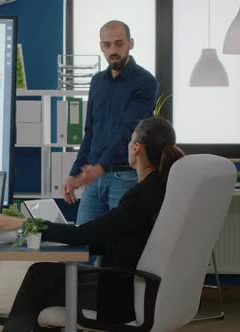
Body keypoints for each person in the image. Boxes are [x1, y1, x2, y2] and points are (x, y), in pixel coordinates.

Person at [0, 117, 184, 331]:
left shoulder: (140, 197)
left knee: (40, 275)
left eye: (130, 139)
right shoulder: (163, 190)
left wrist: (23, 223)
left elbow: (86, 234)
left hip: (118, 294)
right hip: (138, 286)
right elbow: (109, 238)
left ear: (136, 148)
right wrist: (63, 237)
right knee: (45, 280)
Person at [62, 20, 159, 228]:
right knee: (83, 248)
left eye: (118, 43)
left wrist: (98, 168)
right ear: (101, 46)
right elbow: (90, 132)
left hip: (125, 177)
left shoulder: (146, 82)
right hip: (94, 181)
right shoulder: (97, 82)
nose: (113, 50)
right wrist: (74, 173)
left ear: (130, 43)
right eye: (107, 45)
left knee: (119, 249)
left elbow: (126, 132)